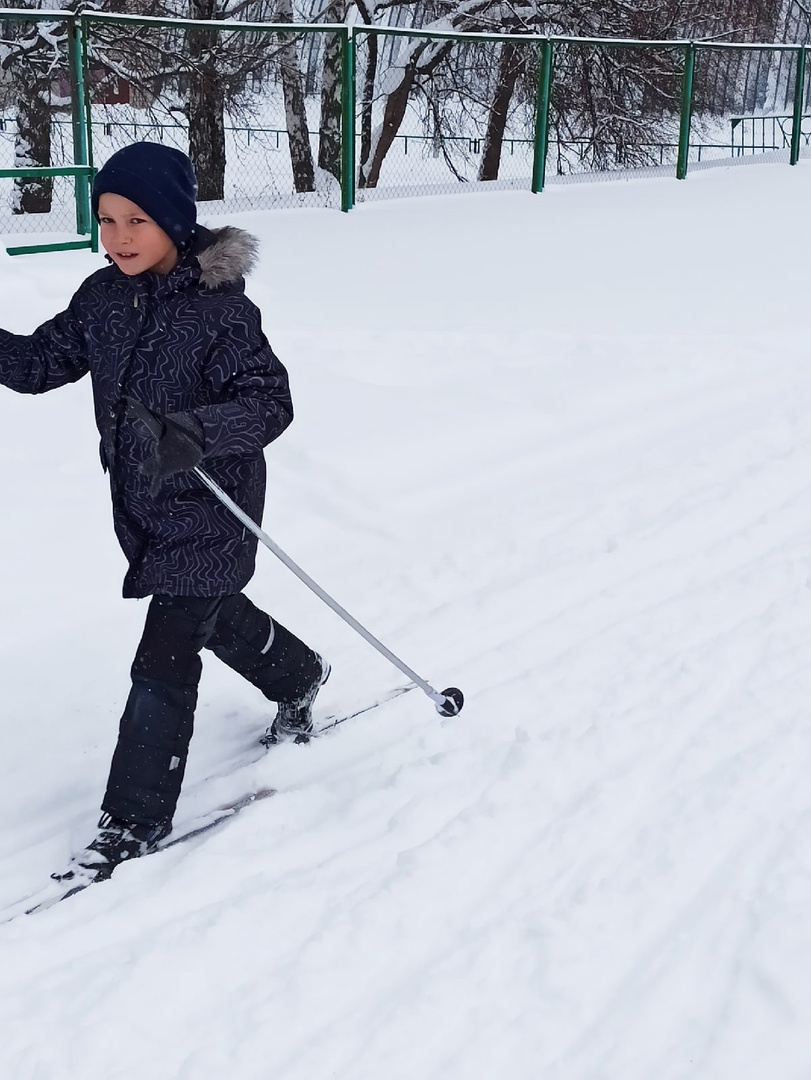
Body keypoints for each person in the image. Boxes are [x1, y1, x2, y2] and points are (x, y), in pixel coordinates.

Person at [0, 141, 329, 882]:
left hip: (213, 502)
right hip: (142, 505)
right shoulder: (101, 297)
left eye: (137, 220)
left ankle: (133, 820)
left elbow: (269, 402)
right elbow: (37, 365)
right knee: (207, 612)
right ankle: (300, 673)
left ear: (176, 224)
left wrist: (198, 432)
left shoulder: (220, 313)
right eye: (107, 219)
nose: (118, 236)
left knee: (165, 657)